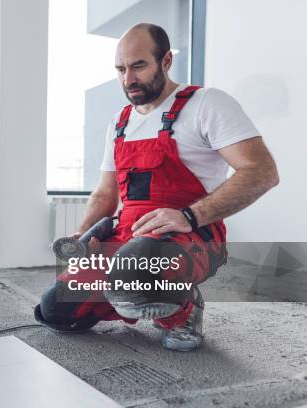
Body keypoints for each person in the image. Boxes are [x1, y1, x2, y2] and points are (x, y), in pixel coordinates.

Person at [34, 23, 279, 351]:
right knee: (55, 311)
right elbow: (106, 193)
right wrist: (84, 238)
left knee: (130, 270)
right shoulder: (119, 123)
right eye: (120, 69)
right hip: (127, 237)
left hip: (190, 237)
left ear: (166, 61)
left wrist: (190, 216)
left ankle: (183, 308)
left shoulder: (206, 104)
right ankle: (126, 297)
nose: (128, 80)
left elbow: (262, 171)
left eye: (138, 66)